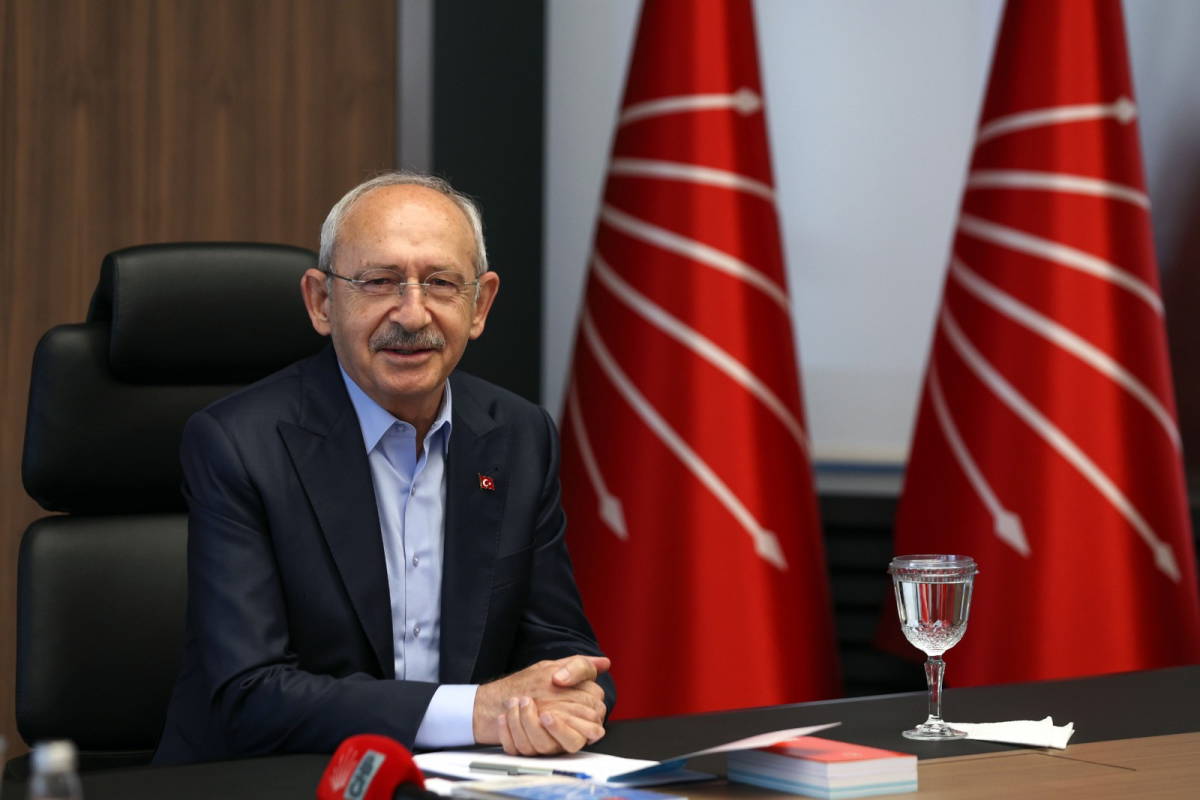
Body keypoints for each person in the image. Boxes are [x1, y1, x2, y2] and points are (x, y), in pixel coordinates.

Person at [154, 172, 614, 764]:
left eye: (441, 283)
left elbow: (559, 644)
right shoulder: (237, 443)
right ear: (322, 302)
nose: (414, 315)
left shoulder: (520, 436)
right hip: (271, 779)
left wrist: (571, 693)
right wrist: (476, 710)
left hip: (458, 778)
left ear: (480, 305)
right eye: (379, 282)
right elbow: (249, 696)